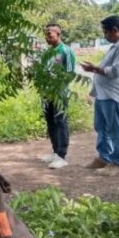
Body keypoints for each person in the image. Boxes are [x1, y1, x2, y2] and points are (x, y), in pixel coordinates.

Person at [80, 15, 119, 176]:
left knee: (114, 129)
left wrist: (94, 69)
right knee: (101, 127)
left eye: (106, 32)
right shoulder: (116, 46)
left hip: (113, 95)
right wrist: (93, 91)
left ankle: (118, 162)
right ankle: (104, 157)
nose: (105, 36)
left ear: (115, 30)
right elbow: (105, 69)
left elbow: (116, 72)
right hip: (103, 94)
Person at [38, 23, 76, 169]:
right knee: (51, 122)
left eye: (50, 35)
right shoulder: (47, 52)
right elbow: (42, 72)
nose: (47, 37)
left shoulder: (66, 51)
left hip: (60, 94)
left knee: (60, 122)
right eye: (46, 35)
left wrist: (56, 89)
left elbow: (70, 73)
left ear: (58, 34)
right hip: (46, 94)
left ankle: (61, 155)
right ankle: (55, 152)